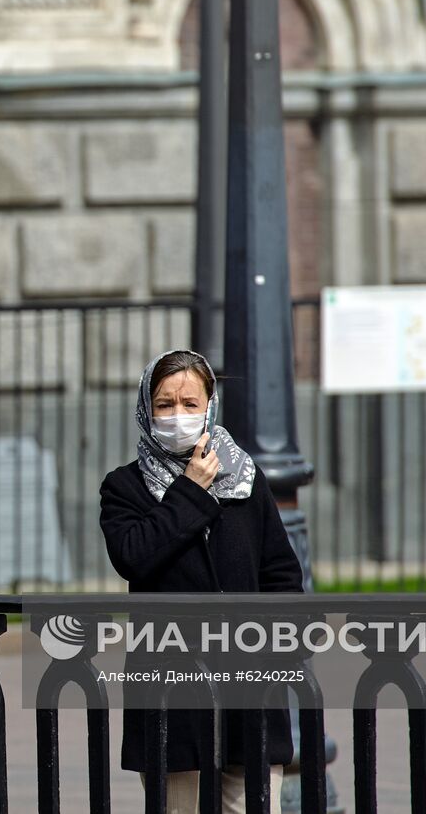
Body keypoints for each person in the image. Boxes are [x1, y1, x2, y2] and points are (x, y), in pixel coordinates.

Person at [99, 348, 305, 814]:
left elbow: (281, 575)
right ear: (145, 410)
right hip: (174, 690)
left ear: (209, 407)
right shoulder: (124, 487)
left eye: (190, 404)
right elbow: (133, 556)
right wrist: (190, 490)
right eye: (165, 404)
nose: (178, 416)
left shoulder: (246, 480)